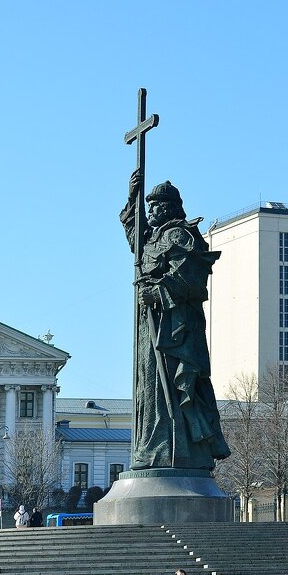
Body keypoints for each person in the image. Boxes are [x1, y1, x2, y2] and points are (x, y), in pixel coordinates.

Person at [120, 172, 230, 470]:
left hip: (175, 329)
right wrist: (132, 197)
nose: (151, 211)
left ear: (168, 207)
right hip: (150, 324)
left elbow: (191, 275)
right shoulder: (153, 237)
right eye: (149, 206)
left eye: (154, 206)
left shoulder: (180, 234)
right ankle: (153, 447)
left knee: (172, 384)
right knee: (150, 384)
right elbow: (134, 234)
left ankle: (173, 450)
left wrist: (157, 292)